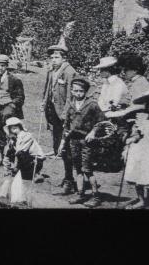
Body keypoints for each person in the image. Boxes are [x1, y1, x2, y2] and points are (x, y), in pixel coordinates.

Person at [60, 77, 106, 207]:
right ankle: (80, 194)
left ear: (85, 91)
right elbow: (67, 125)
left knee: (87, 169)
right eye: (75, 91)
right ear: (72, 91)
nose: (78, 93)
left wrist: (93, 132)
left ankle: (95, 196)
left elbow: (101, 121)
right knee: (78, 169)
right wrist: (63, 141)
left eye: (81, 91)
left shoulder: (92, 104)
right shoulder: (70, 104)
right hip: (73, 141)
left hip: (87, 142)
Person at [42, 44, 76, 167]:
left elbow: (70, 95)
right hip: (52, 105)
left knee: (63, 129)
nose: (53, 60)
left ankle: (63, 151)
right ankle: (56, 149)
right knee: (54, 128)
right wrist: (44, 102)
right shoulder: (52, 70)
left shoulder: (69, 71)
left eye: (56, 57)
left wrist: (66, 111)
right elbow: (48, 88)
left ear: (64, 58)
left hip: (62, 107)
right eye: (52, 57)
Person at [0, 55, 25, 166]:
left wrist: (12, 105)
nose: (0, 68)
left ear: (6, 66)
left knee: (10, 133)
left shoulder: (14, 79)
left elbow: (20, 97)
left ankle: (11, 158)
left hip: (8, 109)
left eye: (3, 66)